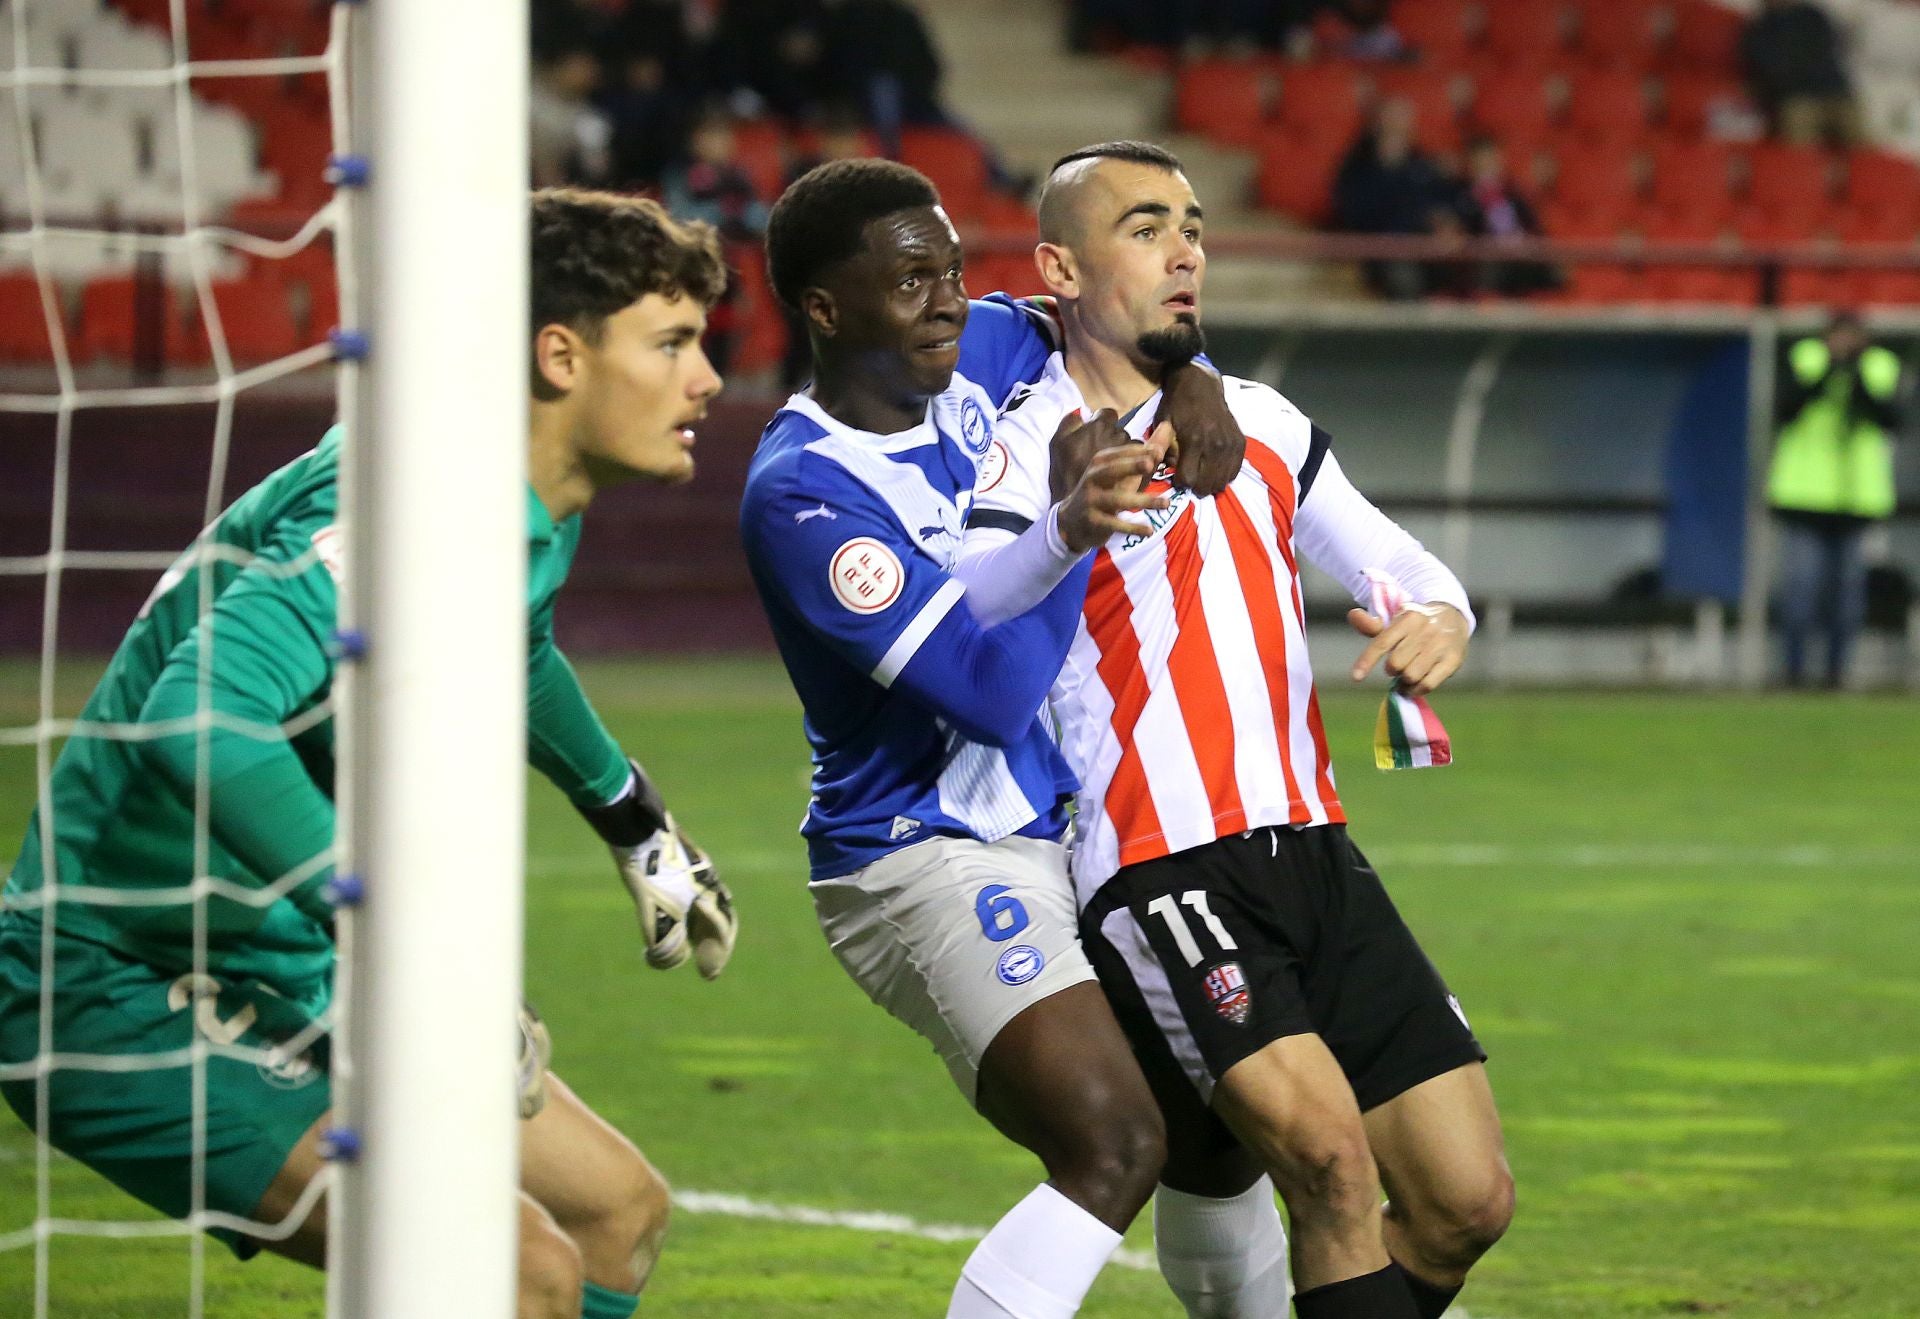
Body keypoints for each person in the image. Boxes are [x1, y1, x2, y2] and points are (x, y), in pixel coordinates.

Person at [0, 189, 740, 1319]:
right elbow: (198, 716)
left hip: (272, 955)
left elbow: (519, 649)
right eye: (674, 343)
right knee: (520, 1272)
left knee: (613, 1215)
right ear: (560, 354)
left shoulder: (521, 490)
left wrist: (630, 816)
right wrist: (398, 939)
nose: (709, 381)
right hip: (114, 975)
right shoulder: (414, 504)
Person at [958, 141, 1514, 1319]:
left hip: (1313, 847)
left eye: (1195, 226)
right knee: (1328, 1166)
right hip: (1165, 864)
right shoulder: (1026, 441)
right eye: (1147, 226)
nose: (1187, 250)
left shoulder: (1256, 417)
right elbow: (968, 606)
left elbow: (1402, 563)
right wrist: (1065, 524)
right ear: (1058, 265)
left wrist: (1439, 617)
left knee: (1467, 1200)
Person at [741, 157, 1244, 1318]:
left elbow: (1131, 316)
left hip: (1069, 832)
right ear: (825, 309)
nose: (951, 301)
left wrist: (1196, 379)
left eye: (956, 271)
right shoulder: (808, 495)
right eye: (913, 279)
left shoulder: (995, 352)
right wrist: (1071, 525)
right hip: (921, 854)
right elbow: (984, 692)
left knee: (1222, 1128)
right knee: (1116, 1141)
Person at [1767, 312, 1903, 688]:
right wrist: (1829, 369)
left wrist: (1854, 373)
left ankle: (1836, 674)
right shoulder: (1804, 359)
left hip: (1855, 499)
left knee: (1846, 596)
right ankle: (1793, 672)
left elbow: (1889, 418)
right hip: (1804, 496)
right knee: (1800, 588)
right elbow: (1785, 410)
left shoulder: (1880, 366)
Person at [1332, 97, 1460, 301]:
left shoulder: (1422, 164)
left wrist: (1447, 221)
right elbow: (1357, 215)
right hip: (1383, 253)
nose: (1398, 126)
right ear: (1377, 124)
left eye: (1404, 120)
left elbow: (1443, 202)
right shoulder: (1357, 168)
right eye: (1392, 119)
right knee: (1403, 277)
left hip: (1427, 250)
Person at [1739, 0, 1863, 147]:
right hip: (1796, 98)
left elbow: (1828, 51)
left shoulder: (1814, 16)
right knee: (1800, 142)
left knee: (1861, 142)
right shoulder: (1759, 28)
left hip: (1834, 92)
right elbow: (1769, 69)